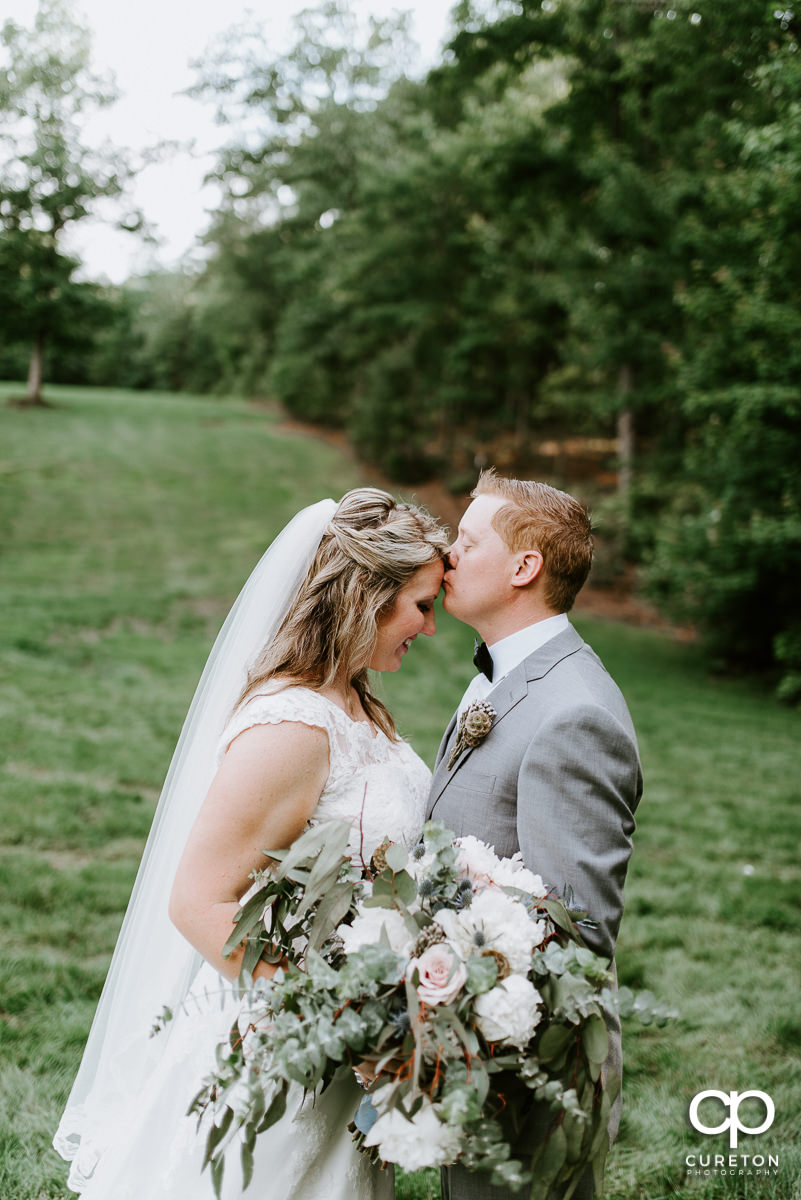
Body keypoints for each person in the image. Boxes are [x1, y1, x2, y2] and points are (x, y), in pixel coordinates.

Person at [53, 487, 448, 1200]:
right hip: (285, 1044)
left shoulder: (354, 703)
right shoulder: (292, 727)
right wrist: (332, 1018)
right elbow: (199, 901)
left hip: (340, 1040)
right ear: (365, 593)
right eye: (421, 605)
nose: (428, 626)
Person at [428, 469, 643, 1200]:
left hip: (527, 1068)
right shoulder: (506, 673)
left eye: (465, 540)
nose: (444, 552)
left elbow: (574, 936)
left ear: (524, 568)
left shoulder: (572, 714)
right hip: (473, 1042)